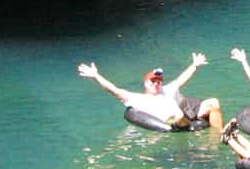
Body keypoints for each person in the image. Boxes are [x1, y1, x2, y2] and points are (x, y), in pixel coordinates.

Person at [77, 53, 224, 130]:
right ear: (146, 83)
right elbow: (113, 89)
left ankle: (219, 135)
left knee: (213, 102)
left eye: (159, 82)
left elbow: (182, 78)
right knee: (179, 116)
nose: (156, 84)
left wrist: (195, 65)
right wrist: (96, 76)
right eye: (153, 81)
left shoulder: (167, 89)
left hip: (187, 115)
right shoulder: (137, 99)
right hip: (173, 121)